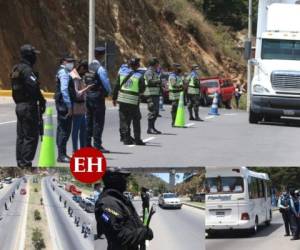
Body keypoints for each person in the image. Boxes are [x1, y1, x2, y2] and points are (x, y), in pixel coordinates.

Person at [95, 167, 153, 250]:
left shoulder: (120, 200)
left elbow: (133, 222)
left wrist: (145, 207)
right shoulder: (107, 204)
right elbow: (118, 236)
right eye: (124, 178)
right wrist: (143, 233)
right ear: (114, 180)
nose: (126, 181)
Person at [11, 44, 46, 168]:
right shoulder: (26, 70)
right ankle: (26, 164)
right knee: (31, 136)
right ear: (29, 55)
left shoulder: (16, 69)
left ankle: (21, 163)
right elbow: (33, 88)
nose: (35, 57)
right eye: (34, 54)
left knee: (21, 136)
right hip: (28, 107)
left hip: (19, 106)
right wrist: (42, 101)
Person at [112, 58, 146, 145]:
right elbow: (142, 89)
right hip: (133, 102)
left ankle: (126, 139)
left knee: (124, 120)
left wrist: (114, 98)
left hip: (122, 100)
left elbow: (116, 86)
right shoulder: (139, 76)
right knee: (136, 119)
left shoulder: (122, 73)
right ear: (137, 66)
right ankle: (137, 140)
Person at [85, 47, 112, 153]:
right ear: (102, 56)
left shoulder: (89, 66)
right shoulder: (100, 68)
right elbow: (105, 83)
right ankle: (97, 145)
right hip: (98, 97)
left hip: (89, 95)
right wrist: (110, 92)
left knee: (89, 120)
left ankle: (87, 144)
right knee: (98, 122)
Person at [54, 53, 76, 163]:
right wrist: (69, 106)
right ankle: (61, 155)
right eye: (69, 61)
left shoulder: (62, 71)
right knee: (65, 130)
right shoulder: (64, 73)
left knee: (61, 129)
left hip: (61, 104)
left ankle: (61, 154)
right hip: (64, 105)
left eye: (73, 61)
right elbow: (64, 90)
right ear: (64, 62)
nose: (72, 63)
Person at [70, 60, 92, 152]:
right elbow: (76, 93)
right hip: (77, 107)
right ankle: (75, 150)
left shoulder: (79, 76)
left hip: (82, 107)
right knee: (75, 130)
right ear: (82, 68)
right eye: (85, 71)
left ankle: (82, 149)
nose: (85, 73)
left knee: (83, 129)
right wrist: (86, 89)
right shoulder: (75, 77)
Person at [144, 58, 162, 134]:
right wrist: (159, 81)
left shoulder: (154, 72)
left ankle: (152, 127)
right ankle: (150, 128)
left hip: (155, 94)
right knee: (152, 111)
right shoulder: (149, 72)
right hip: (150, 94)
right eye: (157, 63)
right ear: (154, 64)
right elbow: (150, 81)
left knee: (156, 112)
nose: (158, 65)